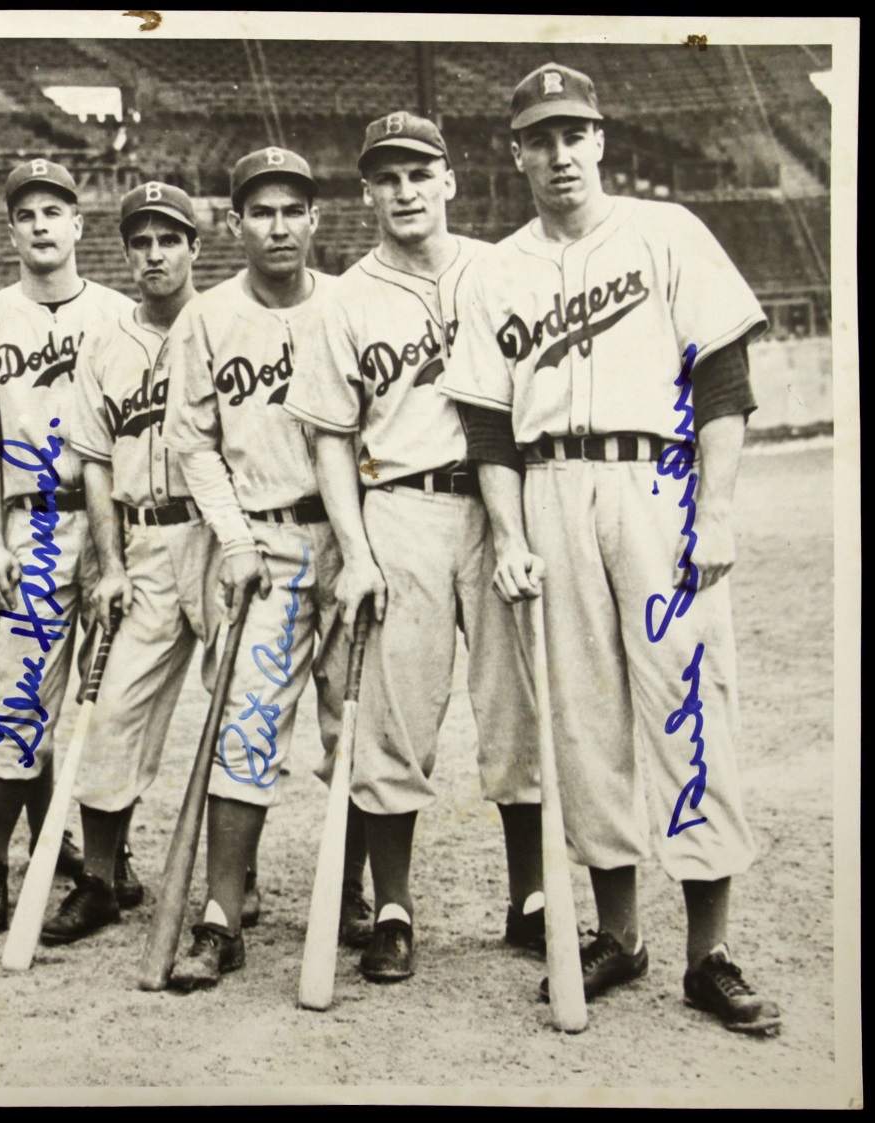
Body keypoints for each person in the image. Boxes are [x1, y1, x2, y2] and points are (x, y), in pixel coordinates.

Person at [440, 63, 782, 1035]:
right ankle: (620, 934)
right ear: (516, 154)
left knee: (689, 704)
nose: (559, 153)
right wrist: (507, 534)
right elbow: (488, 428)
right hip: (549, 487)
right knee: (581, 722)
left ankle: (709, 952)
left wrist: (715, 511)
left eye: (573, 133)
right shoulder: (498, 269)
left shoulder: (667, 233)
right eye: (539, 138)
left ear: (601, 139)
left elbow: (722, 382)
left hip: (657, 484)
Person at [283, 112, 547, 985]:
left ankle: (533, 898)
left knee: (519, 706)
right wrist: (356, 551)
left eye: (418, 173)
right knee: (395, 716)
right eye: (386, 177)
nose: (404, 191)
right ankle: (394, 906)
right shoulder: (346, 296)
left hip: (506, 499)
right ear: (367, 193)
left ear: (451, 181)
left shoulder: (503, 268)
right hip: (401, 505)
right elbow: (329, 437)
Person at [159, 148, 373, 992]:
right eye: (261, 211)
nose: (278, 225)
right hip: (267, 539)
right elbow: (191, 443)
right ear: (235, 222)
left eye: (293, 210)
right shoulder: (207, 318)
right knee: (246, 723)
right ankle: (221, 914)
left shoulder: (353, 304)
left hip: (356, 536)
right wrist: (236, 540)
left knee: (356, 725)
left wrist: (364, 545)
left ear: (315, 219)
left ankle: (352, 897)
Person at [0, 159, 135, 936]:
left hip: (116, 522)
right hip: (31, 520)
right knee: (15, 704)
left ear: (80, 223)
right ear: (11, 229)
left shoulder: (121, 315)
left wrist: (111, 546)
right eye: (26, 214)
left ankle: (105, 864)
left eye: (55, 210)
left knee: (115, 701)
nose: (41, 225)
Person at [36, 182, 216, 946]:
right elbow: (95, 465)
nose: (153, 254)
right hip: (141, 540)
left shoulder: (228, 321)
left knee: (246, 711)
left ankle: (235, 892)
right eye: (140, 241)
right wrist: (109, 563)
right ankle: (104, 879)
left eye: (168, 239)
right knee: (110, 711)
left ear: (194, 248)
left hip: (219, 535)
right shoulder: (105, 342)